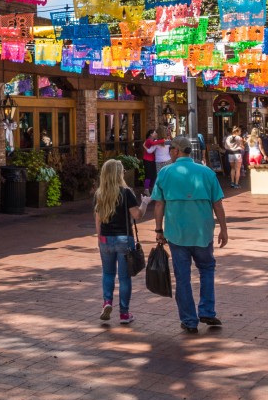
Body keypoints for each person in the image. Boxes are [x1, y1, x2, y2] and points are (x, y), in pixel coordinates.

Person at [150, 137, 229, 334]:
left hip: (177, 233)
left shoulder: (165, 173)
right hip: (202, 232)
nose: (169, 152)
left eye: (171, 149)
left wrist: (158, 230)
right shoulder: (206, 172)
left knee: (182, 276)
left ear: (176, 151)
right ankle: (207, 311)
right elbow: (218, 204)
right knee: (207, 269)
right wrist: (223, 228)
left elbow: (159, 204)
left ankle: (189, 320)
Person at [93, 159, 141, 326]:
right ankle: (124, 313)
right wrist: (145, 204)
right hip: (124, 239)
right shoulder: (126, 192)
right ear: (118, 174)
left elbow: (98, 220)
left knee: (108, 273)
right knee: (124, 278)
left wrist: (100, 238)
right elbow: (137, 215)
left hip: (105, 239)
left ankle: (107, 302)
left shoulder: (100, 194)